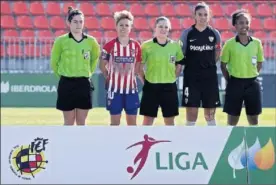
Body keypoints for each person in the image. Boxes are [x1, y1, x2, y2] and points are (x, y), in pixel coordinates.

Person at [50, 7, 100, 126]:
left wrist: (87, 73)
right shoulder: (61, 41)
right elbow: (54, 62)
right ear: (68, 23)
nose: (78, 24)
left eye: (81, 21)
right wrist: (64, 76)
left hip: (83, 83)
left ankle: (82, 144)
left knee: (82, 122)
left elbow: (94, 59)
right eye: (75, 21)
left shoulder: (91, 41)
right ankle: (66, 144)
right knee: (68, 122)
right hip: (66, 83)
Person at [178, 2, 221, 126]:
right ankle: (188, 141)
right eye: (200, 14)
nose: (203, 17)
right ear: (194, 16)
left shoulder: (215, 33)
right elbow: (181, 54)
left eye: (205, 14)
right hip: (192, 77)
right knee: (191, 112)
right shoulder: (187, 33)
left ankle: (212, 141)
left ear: (209, 16)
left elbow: (218, 51)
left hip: (209, 77)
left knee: (210, 113)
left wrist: (209, 64)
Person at [221, 9, 265, 126]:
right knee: (232, 120)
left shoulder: (257, 43)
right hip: (235, 83)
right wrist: (230, 80)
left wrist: (251, 74)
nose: (244, 25)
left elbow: (260, 62)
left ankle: (254, 143)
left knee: (253, 119)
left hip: (252, 83)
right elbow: (223, 65)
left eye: (246, 22)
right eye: (241, 22)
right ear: (235, 25)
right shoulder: (229, 44)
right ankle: (229, 143)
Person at [139, 16, 184, 126]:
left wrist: (174, 77)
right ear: (155, 28)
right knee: (148, 120)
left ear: (169, 29)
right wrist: (145, 81)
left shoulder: (175, 46)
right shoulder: (146, 46)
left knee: (169, 120)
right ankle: (145, 142)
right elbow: (139, 67)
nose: (163, 29)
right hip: (151, 86)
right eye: (160, 26)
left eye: (166, 27)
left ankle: (170, 142)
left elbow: (180, 63)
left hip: (169, 87)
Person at [99, 10, 142, 126]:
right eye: (121, 25)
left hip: (131, 90)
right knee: (115, 123)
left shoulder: (136, 45)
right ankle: (114, 144)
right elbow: (102, 64)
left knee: (132, 124)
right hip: (114, 91)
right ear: (116, 27)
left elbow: (138, 67)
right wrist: (109, 77)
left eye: (127, 25)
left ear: (130, 28)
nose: (124, 28)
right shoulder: (109, 45)